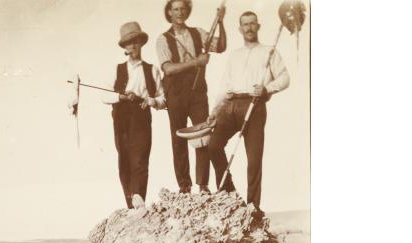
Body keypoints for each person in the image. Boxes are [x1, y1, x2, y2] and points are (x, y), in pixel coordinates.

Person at [207, 11, 289, 215]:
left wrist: (267, 89)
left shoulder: (269, 51)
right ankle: (228, 191)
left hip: (255, 104)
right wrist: (215, 111)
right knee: (213, 145)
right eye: (245, 24)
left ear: (258, 26)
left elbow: (285, 77)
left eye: (252, 23)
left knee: (254, 158)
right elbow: (224, 85)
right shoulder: (234, 55)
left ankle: (253, 206)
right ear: (240, 28)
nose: (249, 27)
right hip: (231, 104)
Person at [156, 0, 226, 194]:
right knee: (178, 138)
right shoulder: (163, 39)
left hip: (197, 92)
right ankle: (184, 186)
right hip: (175, 92)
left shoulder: (199, 33)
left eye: (183, 9)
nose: (180, 13)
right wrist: (197, 62)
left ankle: (203, 184)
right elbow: (168, 69)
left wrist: (221, 21)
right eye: (175, 9)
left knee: (202, 136)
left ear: (187, 12)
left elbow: (220, 47)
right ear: (169, 13)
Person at [103, 22, 166, 209]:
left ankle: (139, 197)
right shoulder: (116, 69)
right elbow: (104, 95)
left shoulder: (152, 70)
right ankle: (130, 203)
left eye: (136, 42)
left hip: (141, 116)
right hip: (121, 116)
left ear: (141, 43)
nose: (133, 46)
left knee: (140, 158)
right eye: (129, 43)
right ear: (124, 47)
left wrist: (152, 101)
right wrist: (120, 96)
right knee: (124, 159)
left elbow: (163, 98)